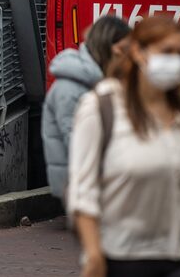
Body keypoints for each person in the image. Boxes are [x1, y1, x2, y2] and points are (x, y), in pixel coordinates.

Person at [69, 16, 180, 277]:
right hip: (124, 254)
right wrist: (93, 253)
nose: (177, 62)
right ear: (138, 52)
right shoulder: (101, 107)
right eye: (167, 52)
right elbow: (82, 191)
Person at [42, 16, 131, 204]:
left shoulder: (95, 81)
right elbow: (76, 143)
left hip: (92, 183)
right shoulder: (70, 88)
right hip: (80, 187)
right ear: (111, 47)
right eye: (126, 48)